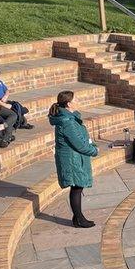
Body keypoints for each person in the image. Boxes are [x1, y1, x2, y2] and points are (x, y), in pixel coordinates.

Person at [50, 91, 99, 228]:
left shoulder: (70, 119)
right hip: (72, 159)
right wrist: (94, 150)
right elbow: (78, 143)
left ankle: (77, 217)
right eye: (76, 99)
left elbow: (81, 139)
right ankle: (79, 219)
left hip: (74, 157)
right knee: (76, 187)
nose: (78, 101)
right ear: (69, 104)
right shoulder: (67, 122)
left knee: (77, 186)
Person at [0, 63, 32, 130]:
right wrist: (5, 105)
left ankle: (22, 123)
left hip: (4, 101)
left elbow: (6, 90)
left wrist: (5, 96)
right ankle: (5, 130)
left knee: (18, 107)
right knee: (13, 115)